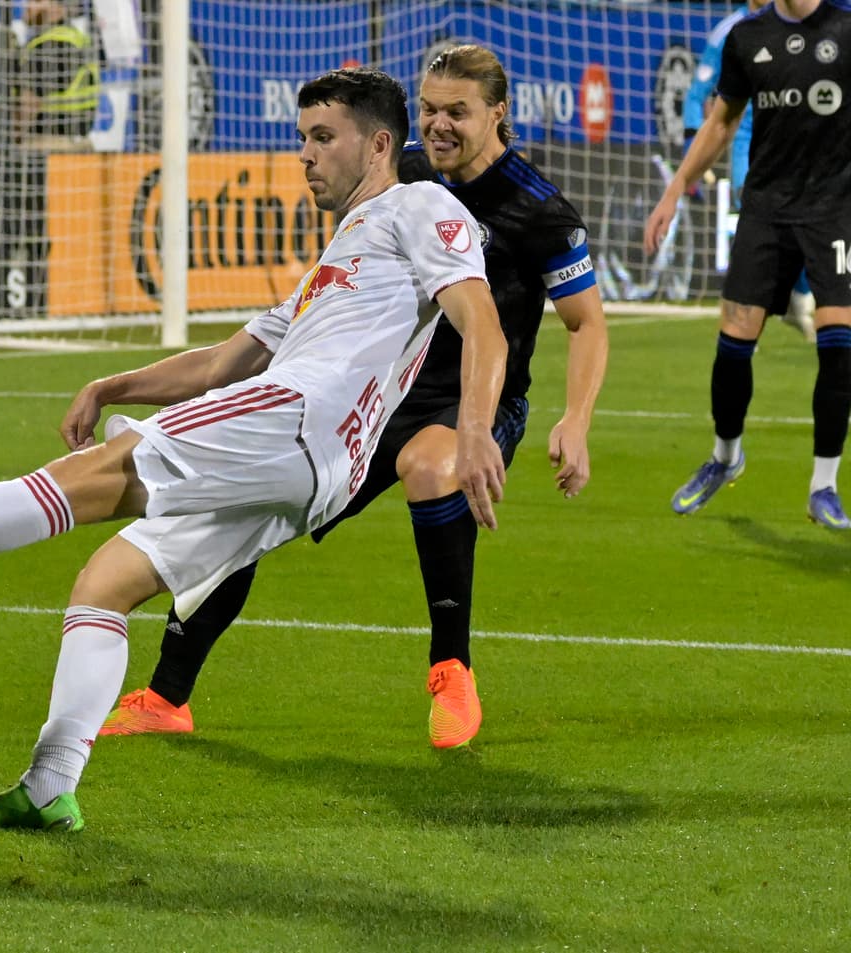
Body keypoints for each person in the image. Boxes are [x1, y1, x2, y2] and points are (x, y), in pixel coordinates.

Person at [0, 67, 509, 831]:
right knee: (106, 583)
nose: (306, 156)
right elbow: (226, 361)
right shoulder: (334, 262)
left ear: (380, 144)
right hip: (307, 461)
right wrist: (112, 384)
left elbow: (482, 324)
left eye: (324, 138)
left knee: (85, 479)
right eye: (302, 139)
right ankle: (48, 784)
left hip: (298, 420)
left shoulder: (420, 204)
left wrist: (474, 429)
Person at [97, 45, 609, 748]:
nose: (438, 124)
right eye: (428, 109)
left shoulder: (538, 210)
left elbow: (586, 325)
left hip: (471, 406)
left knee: (433, 467)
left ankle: (452, 669)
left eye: (457, 111)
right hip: (372, 399)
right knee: (251, 493)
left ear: (498, 113)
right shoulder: (404, 180)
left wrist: (571, 420)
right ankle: (167, 694)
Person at [646, 0, 851, 530]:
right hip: (766, 211)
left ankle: (824, 485)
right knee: (734, 343)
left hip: (833, 213)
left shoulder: (846, 27)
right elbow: (721, 122)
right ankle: (725, 454)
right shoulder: (745, 37)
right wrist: (675, 190)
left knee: (839, 345)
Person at [682, 0, 814, 341]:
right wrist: (689, 150)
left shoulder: (801, 22)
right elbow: (696, 95)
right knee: (757, 225)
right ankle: (744, 322)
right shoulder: (730, 31)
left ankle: (797, 299)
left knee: (797, 227)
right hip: (748, 146)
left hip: (796, 145)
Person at [14, 0, 100, 152]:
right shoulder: (74, 36)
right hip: (78, 141)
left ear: (56, 6)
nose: (28, 6)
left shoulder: (50, 45)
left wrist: (11, 139)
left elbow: (29, 103)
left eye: (37, 1)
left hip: (50, 145)